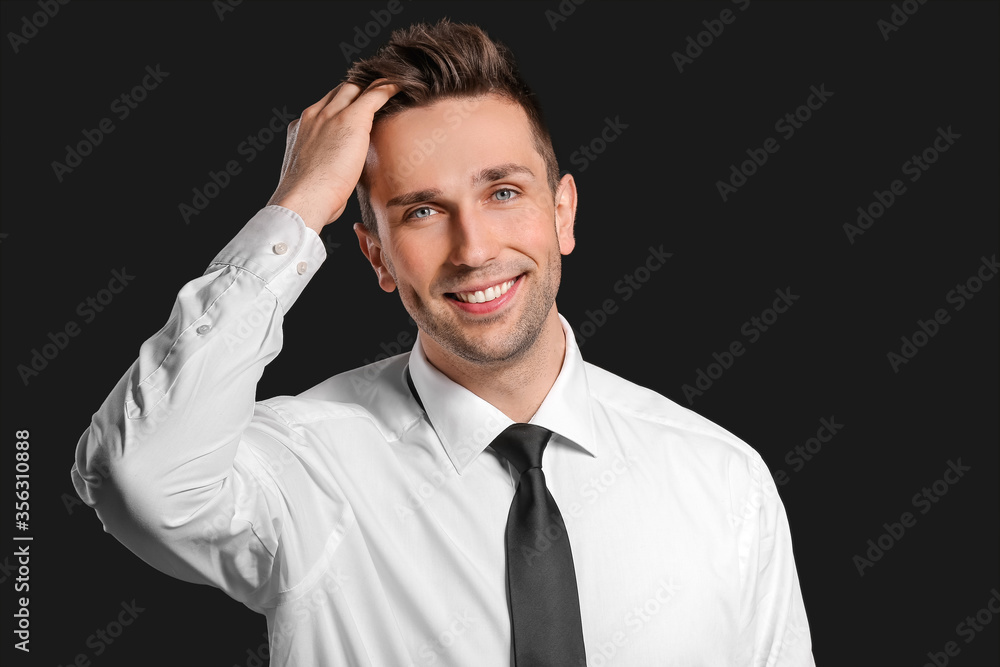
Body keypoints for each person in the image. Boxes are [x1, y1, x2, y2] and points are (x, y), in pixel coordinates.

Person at [72, 19, 815, 666]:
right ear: (376, 255)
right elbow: (136, 477)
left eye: (503, 192)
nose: (474, 248)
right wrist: (297, 207)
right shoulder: (309, 470)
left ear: (563, 214)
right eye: (423, 210)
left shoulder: (723, 482)